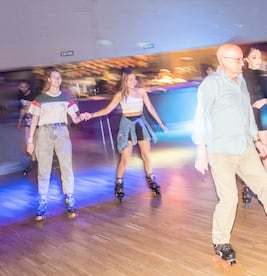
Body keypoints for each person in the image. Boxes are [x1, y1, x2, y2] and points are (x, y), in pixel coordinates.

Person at [192, 43, 267, 265]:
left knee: (265, 186)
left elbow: (247, 114)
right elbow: (200, 117)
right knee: (229, 198)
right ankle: (221, 242)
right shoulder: (211, 84)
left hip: (245, 148)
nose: (241, 63)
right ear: (223, 60)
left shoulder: (240, 81)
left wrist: (256, 139)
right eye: (236, 59)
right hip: (221, 151)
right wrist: (201, 149)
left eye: (242, 58)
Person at [83, 70, 168, 200]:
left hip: (140, 123)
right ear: (125, 81)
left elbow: (150, 108)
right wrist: (91, 115)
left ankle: (151, 180)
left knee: (146, 155)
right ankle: (119, 183)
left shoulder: (141, 92)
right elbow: (107, 110)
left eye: (134, 79)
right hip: (127, 125)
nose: (133, 82)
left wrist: (160, 123)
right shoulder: (120, 95)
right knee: (125, 158)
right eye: (130, 80)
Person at [26, 69, 85, 221]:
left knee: (66, 167)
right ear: (49, 79)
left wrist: (81, 117)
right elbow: (34, 121)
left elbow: (75, 118)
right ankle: (43, 202)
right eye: (55, 77)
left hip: (62, 132)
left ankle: (70, 199)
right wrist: (30, 140)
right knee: (44, 169)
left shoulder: (66, 98)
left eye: (59, 77)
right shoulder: (40, 98)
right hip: (44, 133)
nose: (58, 79)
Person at [241, 46, 267, 207]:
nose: (259, 60)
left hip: (258, 120)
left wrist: (265, 100)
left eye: (260, 57)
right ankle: (248, 187)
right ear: (246, 59)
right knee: (248, 158)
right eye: (255, 57)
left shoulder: (261, 76)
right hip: (243, 122)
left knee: (264, 154)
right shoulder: (239, 77)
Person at [17, 80, 39, 175]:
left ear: (28, 86)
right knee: (28, 143)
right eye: (21, 87)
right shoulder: (20, 96)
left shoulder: (34, 95)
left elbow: (36, 109)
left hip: (36, 122)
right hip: (27, 122)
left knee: (36, 142)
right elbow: (22, 109)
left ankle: (36, 162)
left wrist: (28, 109)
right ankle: (32, 162)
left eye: (25, 86)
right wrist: (20, 121)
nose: (23, 88)